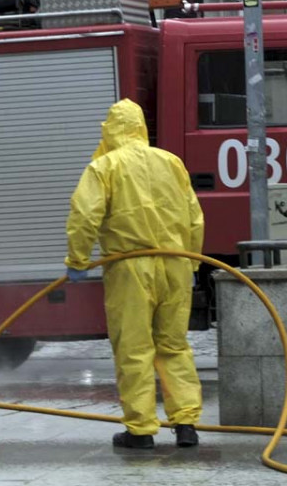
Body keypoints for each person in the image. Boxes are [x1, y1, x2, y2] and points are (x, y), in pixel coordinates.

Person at [64, 99, 205, 449]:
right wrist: (193, 261)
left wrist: (77, 260)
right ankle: (185, 424)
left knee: (134, 348)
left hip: (130, 268)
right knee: (173, 345)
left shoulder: (104, 166)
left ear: (110, 129)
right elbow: (194, 215)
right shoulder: (170, 162)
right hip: (174, 263)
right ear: (141, 127)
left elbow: (85, 215)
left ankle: (140, 431)